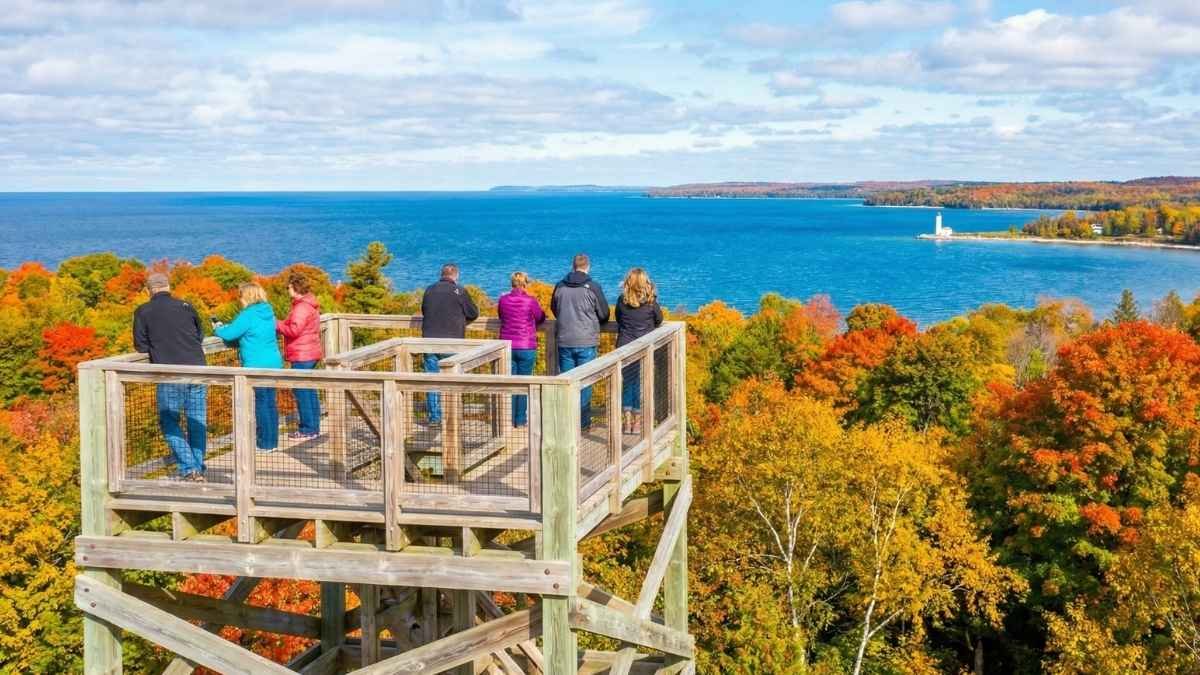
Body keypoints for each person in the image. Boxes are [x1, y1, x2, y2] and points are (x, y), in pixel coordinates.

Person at [133, 272, 209, 481]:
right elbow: (199, 336)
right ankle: (198, 466)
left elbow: (140, 346)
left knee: (169, 421)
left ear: (149, 290)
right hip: (199, 370)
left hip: (169, 373)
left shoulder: (143, 311)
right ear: (168, 287)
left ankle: (190, 468)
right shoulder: (186, 306)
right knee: (197, 420)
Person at [216, 282, 284, 452]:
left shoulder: (248, 315)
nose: (239, 300)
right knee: (270, 402)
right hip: (274, 363)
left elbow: (230, 334)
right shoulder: (268, 311)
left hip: (256, 365)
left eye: (240, 296)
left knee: (262, 403)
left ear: (246, 297)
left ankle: (265, 443)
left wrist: (218, 328)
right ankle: (273, 441)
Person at [551, 253, 610, 429]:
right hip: (586, 340)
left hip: (565, 339)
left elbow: (554, 308)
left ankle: (566, 423)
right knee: (585, 382)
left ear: (573, 266)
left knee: (566, 383)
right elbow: (604, 314)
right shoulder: (593, 287)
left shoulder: (560, 286)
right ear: (588, 267)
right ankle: (583, 424)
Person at [420, 263, 480, 425]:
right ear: (456, 275)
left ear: (441, 274)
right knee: (452, 379)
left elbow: (424, 310)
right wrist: (460, 320)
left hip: (429, 341)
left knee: (432, 380)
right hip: (452, 341)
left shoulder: (429, 290)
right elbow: (473, 313)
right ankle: (452, 417)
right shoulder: (459, 291)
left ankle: (435, 417)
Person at [615, 268, 663, 434]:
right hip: (644, 348)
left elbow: (618, 318)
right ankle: (637, 423)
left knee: (628, 383)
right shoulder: (650, 301)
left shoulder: (622, 301)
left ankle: (627, 422)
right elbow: (659, 319)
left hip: (625, 347)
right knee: (641, 384)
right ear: (644, 282)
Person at [276, 273, 323, 439]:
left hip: (302, 354)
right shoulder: (309, 304)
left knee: (302, 392)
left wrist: (277, 324)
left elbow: (294, 330)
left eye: (288, 287)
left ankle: (307, 429)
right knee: (309, 391)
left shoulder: (301, 308)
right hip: (310, 352)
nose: (287, 290)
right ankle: (314, 427)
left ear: (295, 287)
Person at [497, 271, 546, 427]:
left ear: (512, 284)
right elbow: (540, 317)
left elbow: (501, 316)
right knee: (524, 383)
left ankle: (508, 419)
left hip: (507, 346)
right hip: (526, 346)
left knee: (510, 383)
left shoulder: (503, 300)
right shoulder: (530, 301)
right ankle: (520, 420)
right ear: (525, 284)